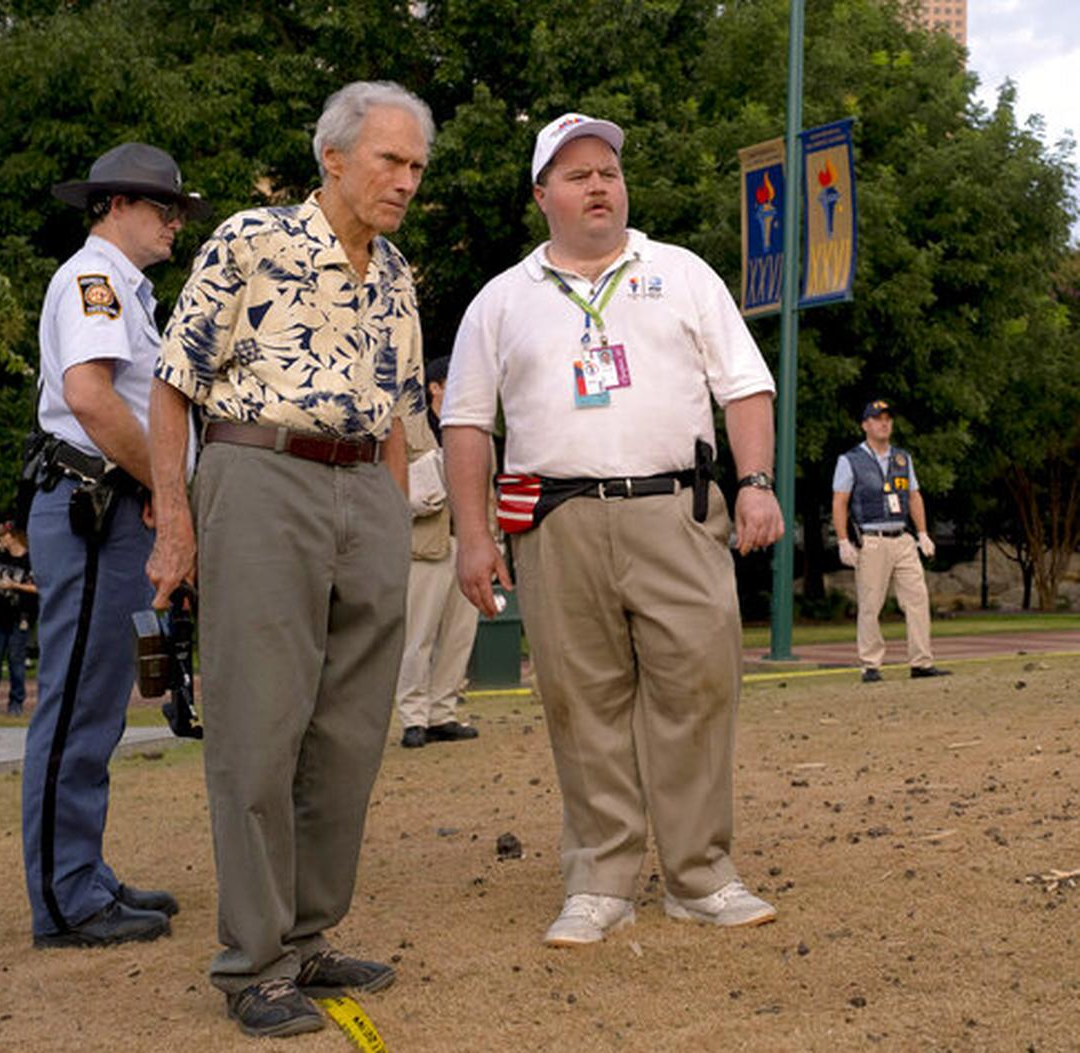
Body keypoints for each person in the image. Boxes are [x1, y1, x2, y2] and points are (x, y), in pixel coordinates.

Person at [442, 113, 785, 947]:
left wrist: (757, 484)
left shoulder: (683, 274)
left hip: (676, 510)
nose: (599, 185)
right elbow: (465, 424)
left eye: (609, 171)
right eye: (576, 174)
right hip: (554, 522)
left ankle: (701, 875)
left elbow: (745, 387)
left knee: (700, 686)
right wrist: (473, 536)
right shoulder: (501, 299)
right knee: (580, 698)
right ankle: (600, 879)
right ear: (541, 196)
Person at [148, 81, 433, 1038]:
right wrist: (175, 522)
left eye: (417, 167)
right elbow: (173, 381)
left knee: (349, 733)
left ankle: (307, 936)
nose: (406, 181)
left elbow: (399, 414)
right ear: (336, 158)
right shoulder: (250, 238)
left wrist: (391, 519)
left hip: (366, 491)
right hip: (260, 474)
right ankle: (252, 961)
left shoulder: (397, 274)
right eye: (391, 160)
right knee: (258, 727)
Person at [21, 142, 210, 950]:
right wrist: (170, 499)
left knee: (93, 707)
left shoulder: (121, 289)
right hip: (93, 507)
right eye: (161, 207)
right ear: (114, 208)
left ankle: (80, 872)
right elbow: (92, 399)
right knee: (75, 709)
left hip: (103, 507)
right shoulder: (96, 283)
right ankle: (66, 898)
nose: (173, 223)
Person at [831, 399, 951, 683]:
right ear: (865, 425)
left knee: (917, 599)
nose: (884, 423)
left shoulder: (902, 458)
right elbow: (840, 501)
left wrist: (922, 533)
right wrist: (843, 540)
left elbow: (914, 495)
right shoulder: (850, 460)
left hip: (902, 537)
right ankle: (870, 664)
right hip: (873, 539)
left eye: (887, 419)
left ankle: (921, 662)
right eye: (877, 419)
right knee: (871, 603)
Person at [397, 356, 481, 748]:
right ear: (435, 386)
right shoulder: (410, 426)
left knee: (460, 634)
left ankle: (441, 712)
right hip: (425, 543)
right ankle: (413, 717)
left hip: (467, 541)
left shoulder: (472, 424)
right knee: (419, 635)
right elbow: (392, 481)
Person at [0, 522, 38, 715]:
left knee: (16, 661)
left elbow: (37, 588)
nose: (1, 540)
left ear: (13, 536)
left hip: (20, 616)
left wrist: (14, 585)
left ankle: (16, 703)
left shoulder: (30, 560)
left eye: (3, 536)